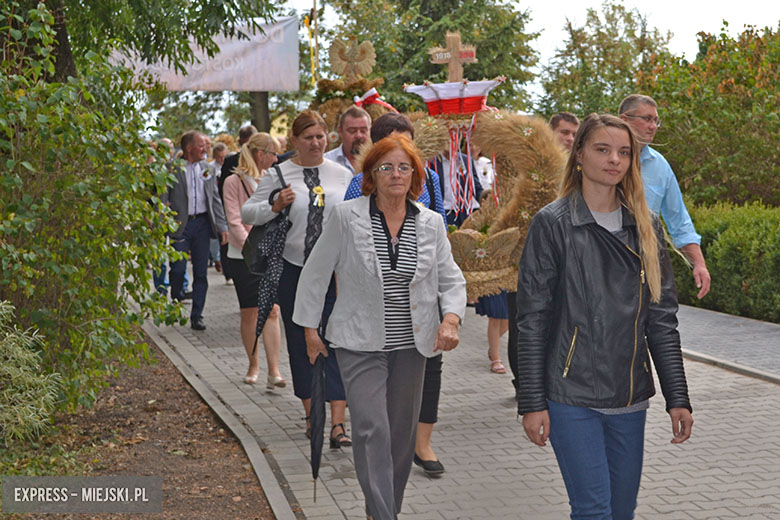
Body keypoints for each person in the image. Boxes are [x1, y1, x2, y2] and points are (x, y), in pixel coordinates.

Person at [517, 113, 694, 520]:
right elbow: (532, 319)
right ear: (578, 154)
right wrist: (531, 401)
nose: (614, 159)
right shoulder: (552, 224)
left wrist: (677, 397)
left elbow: (662, 321)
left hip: (629, 396)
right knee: (593, 509)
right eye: (602, 149)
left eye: (624, 152)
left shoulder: (644, 227)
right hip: (570, 395)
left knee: (621, 509)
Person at [293, 134, 466, 520]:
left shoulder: (431, 223)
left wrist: (451, 318)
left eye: (404, 167)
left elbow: (450, 279)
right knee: (373, 429)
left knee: (402, 439)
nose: (395, 174)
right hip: (358, 340)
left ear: (416, 175)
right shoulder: (346, 215)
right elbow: (316, 274)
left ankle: (381, 511)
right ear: (371, 174)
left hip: (413, 343)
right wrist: (309, 329)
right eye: (386, 167)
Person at [343, 112, 448, 477]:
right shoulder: (360, 184)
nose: (402, 160)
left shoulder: (430, 178)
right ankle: (385, 440)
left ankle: (422, 443)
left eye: (410, 145)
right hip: (376, 301)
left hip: (423, 293)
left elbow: (442, 230)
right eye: (395, 147)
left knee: (430, 366)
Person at [241, 110, 353, 448]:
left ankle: (337, 424)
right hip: (295, 271)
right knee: (302, 342)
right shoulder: (279, 173)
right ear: (295, 141)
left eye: (320, 137)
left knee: (335, 342)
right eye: (309, 138)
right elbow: (250, 212)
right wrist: (275, 205)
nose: (316, 143)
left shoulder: (341, 174)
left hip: (335, 273)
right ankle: (310, 415)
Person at [618, 94, 711, 299]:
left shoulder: (660, 166)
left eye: (656, 120)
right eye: (647, 119)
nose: (653, 126)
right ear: (625, 120)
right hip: (603, 262)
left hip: (646, 265)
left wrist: (700, 264)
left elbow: (679, 219)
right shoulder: (603, 161)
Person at [222, 133, 286, 388]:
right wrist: (252, 247)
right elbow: (234, 219)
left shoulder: (275, 179)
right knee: (250, 313)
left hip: (272, 255)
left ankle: (274, 370)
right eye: (273, 153)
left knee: (272, 310)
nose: (276, 158)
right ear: (260, 154)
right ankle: (253, 364)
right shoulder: (233, 181)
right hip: (243, 256)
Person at [165, 131, 229, 330]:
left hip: (202, 224)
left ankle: (197, 315)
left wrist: (222, 226)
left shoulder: (207, 168)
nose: (206, 148)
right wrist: (161, 224)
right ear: (189, 148)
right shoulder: (171, 168)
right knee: (177, 269)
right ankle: (177, 296)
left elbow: (215, 198)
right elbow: (162, 197)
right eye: (202, 145)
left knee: (201, 272)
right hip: (180, 225)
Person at [219, 125, 259, 287]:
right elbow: (224, 187)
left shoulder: (268, 173)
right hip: (241, 231)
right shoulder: (232, 163)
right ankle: (228, 273)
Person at [323, 105, 371, 174]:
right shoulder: (326, 162)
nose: (358, 135)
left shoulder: (378, 161)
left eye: (363, 130)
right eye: (352, 131)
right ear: (340, 131)